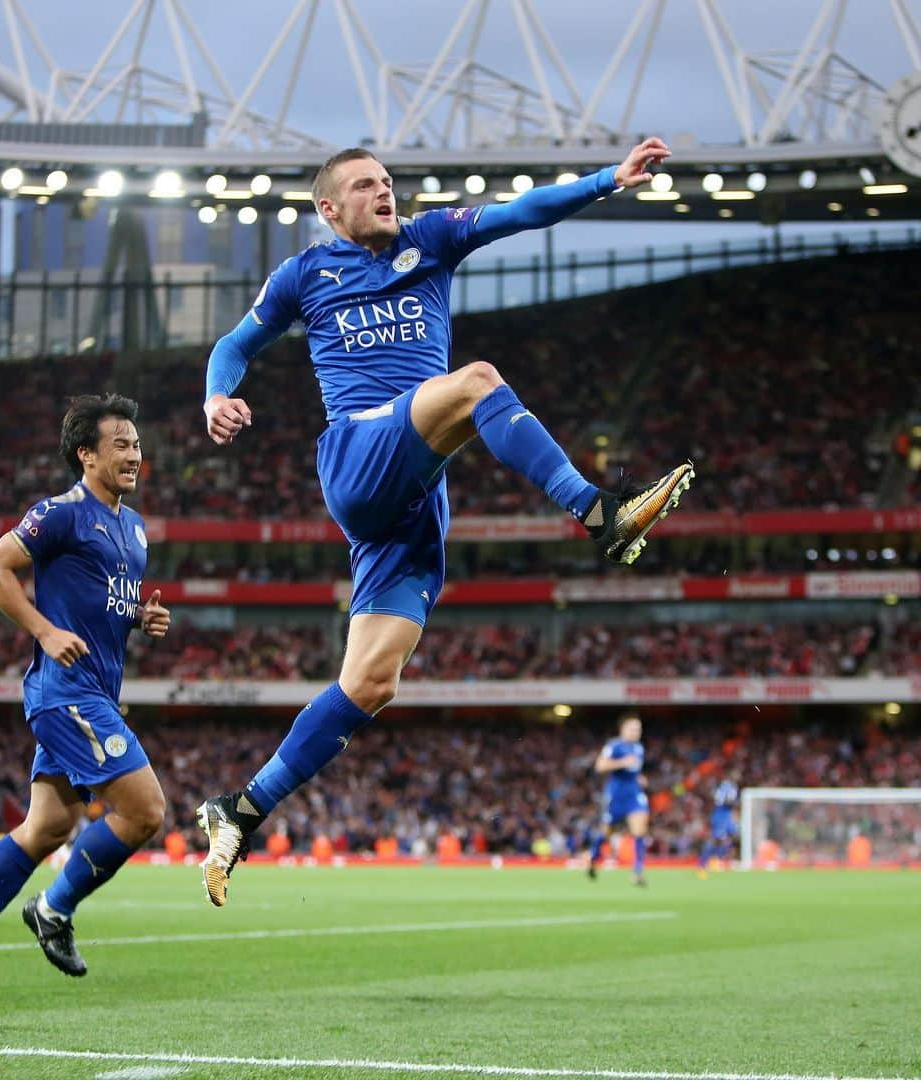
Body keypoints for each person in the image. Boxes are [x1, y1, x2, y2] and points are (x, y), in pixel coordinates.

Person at [196, 139, 694, 907]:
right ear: (330, 209)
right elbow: (234, 345)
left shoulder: (431, 238)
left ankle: (242, 808)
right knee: (478, 383)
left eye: (388, 181)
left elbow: (520, 212)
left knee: (370, 683)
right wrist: (215, 396)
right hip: (360, 453)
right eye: (365, 186)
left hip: (416, 496)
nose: (384, 192)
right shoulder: (304, 275)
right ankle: (599, 514)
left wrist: (607, 181)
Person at [0, 393, 171, 993]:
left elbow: (95, 600)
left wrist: (138, 617)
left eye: (137, 444)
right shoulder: (59, 512)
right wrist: (44, 629)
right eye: (120, 444)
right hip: (66, 694)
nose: (134, 454)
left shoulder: (133, 530)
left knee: (47, 829)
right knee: (144, 811)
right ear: (86, 455)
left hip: (96, 695)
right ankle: (53, 909)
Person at [587, 713, 650, 886]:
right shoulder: (614, 746)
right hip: (616, 796)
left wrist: (639, 778)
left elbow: (633, 770)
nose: (636, 732)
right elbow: (600, 766)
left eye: (639, 729)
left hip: (634, 795)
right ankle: (593, 858)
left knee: (639, 831)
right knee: (606, 833)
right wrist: (622, 762)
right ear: (623, 729)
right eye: (633, 728)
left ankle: (637, 872)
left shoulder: (639, 748)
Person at [696, 775, 740, 877]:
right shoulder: (728, 787)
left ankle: (715, 861)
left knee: (730, 838)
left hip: (726, 816)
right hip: (721, 815)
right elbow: (725, 802)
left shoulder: (724, 786)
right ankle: (702, 864)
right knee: (717, 840)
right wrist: (735, 803)